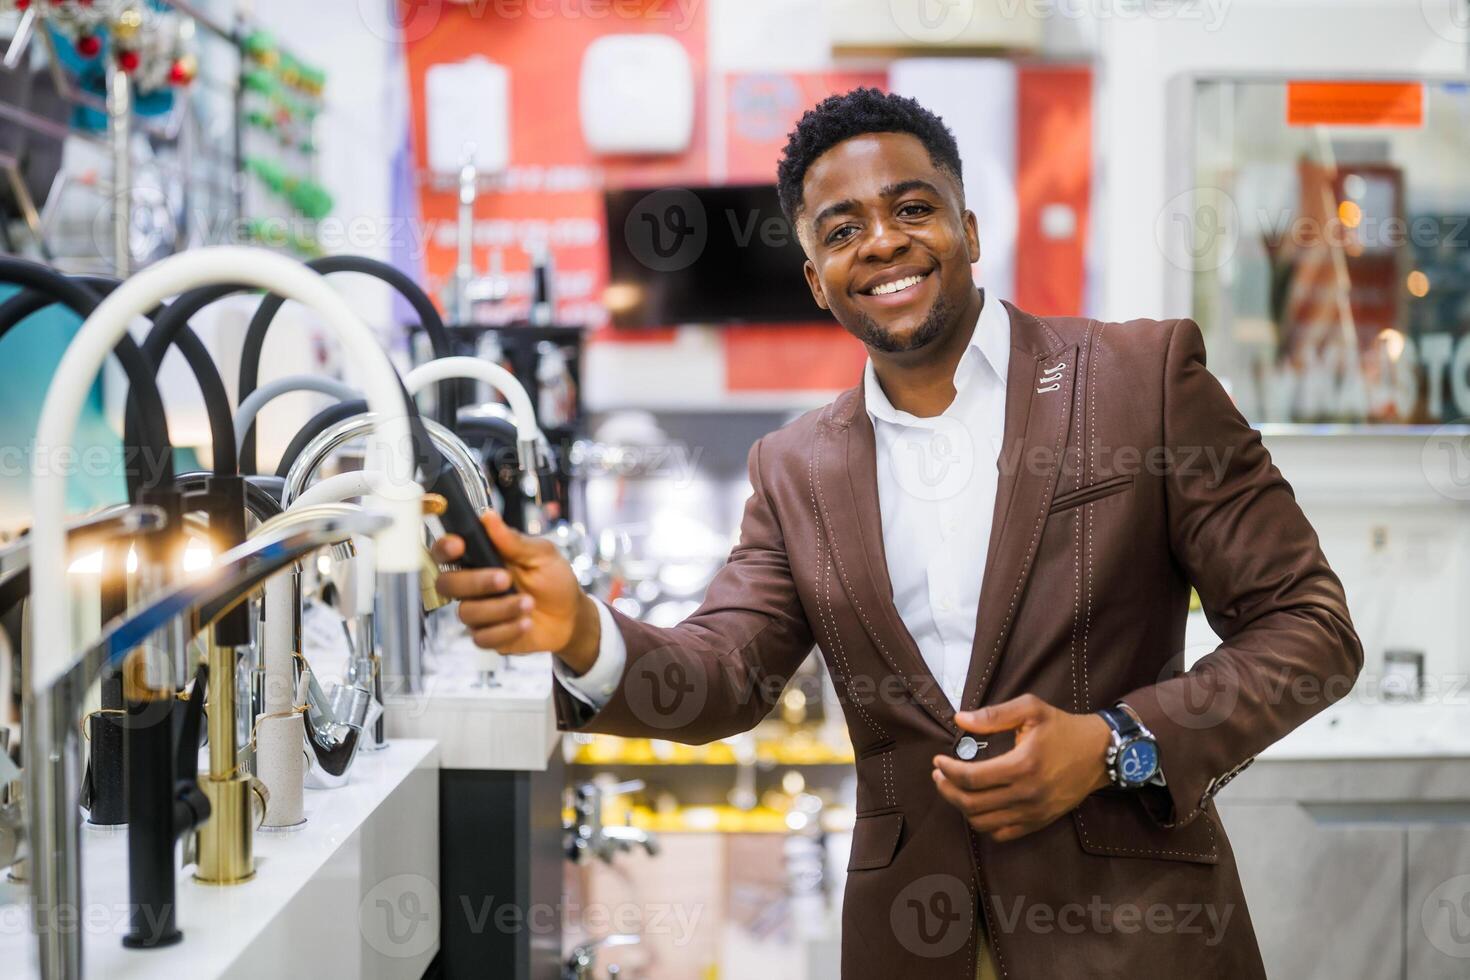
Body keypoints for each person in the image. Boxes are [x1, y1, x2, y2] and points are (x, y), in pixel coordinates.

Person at [432, 88, 1362, 979]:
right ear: (815, 279)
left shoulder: (1138, 378)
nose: (882, 242)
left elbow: (1309, 626)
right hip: (915, 943)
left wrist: (1116, 740)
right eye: (842, 230)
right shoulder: (796, 468)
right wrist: (582, 633)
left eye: (911, 207)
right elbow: (721, 677)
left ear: (969, 227)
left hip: (1135, 937)